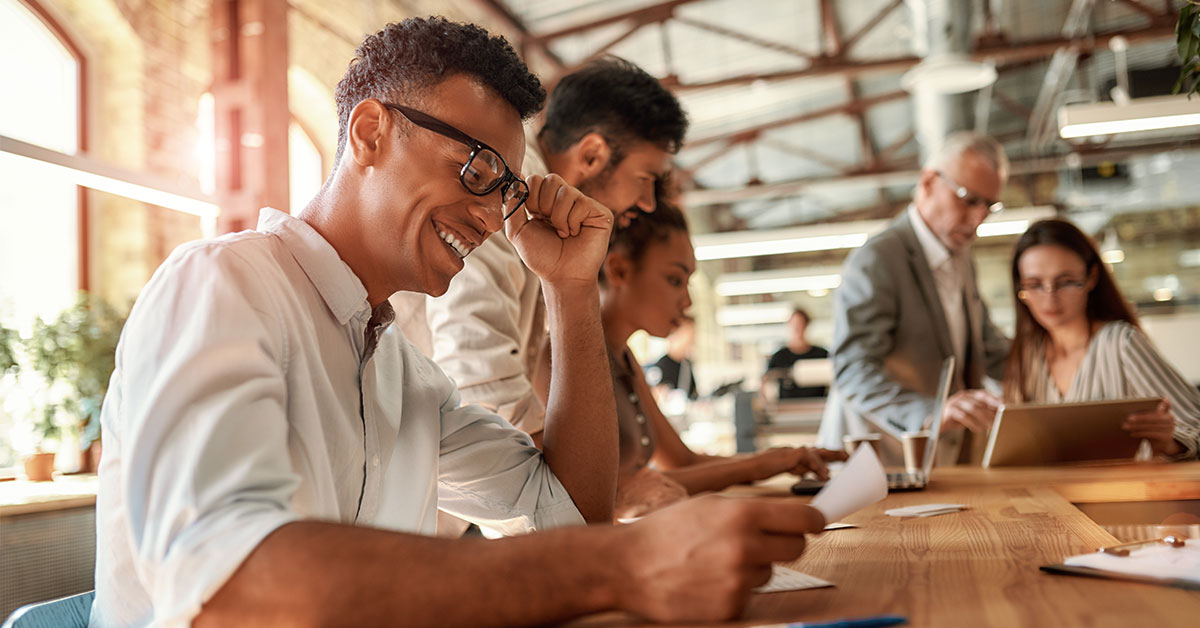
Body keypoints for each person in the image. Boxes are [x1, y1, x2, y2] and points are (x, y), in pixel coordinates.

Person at [90, 18, 826, 627]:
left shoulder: (399, 370)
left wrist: (570, 291)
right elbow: (230, 592)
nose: (491, 217)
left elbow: (569, 511)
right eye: (476, 171)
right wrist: (623, 566)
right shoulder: (222, 287)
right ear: (372, 131)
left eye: (506, 190)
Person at [395, 56, 687, 448]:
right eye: (645, 179)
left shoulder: (542, 204)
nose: (649, 203)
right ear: (592, 155)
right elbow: (480, 371)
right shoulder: (511, 190)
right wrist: (565, 490)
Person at [588, 198, 845, 518]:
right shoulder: (569, 360)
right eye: (674, 280)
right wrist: (758, 464)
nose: (687, 300)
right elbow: (622, 492)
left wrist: (778, 459)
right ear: (619, 269)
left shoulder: (624, 358)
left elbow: (682, 463)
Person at [822, 131, 1011, 465]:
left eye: (989, 206)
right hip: (878, 461)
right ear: (928, 182)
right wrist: (931, 412)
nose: (978, 218)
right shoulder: (878, 259)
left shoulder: (962, 259)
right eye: (968, 200)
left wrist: (1061, 355)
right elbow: (853, 370)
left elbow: (986, 345)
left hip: (937, 463)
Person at [1003, 219, 1200, 460]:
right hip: (1048, 496)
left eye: (1064, 282)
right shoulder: (1027, 355)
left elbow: (1194, 425)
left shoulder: (1120, 343)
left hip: (1125, 494)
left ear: (1092, 278)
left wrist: (1169, 442)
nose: (1049, 298)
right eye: (1034, 285)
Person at [765, 309, 829, 399]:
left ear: (806, 325)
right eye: (794, 324)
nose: (797, 328)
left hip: (818, 406)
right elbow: (766, 381)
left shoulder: (822, 354)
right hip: (786, 408)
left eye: (800, 324)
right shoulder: (779, 357)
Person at [648, 315, 699, 400]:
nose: (693, 339)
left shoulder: (686, 365)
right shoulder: (661, 367)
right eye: (690, 333)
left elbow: (693, 394)